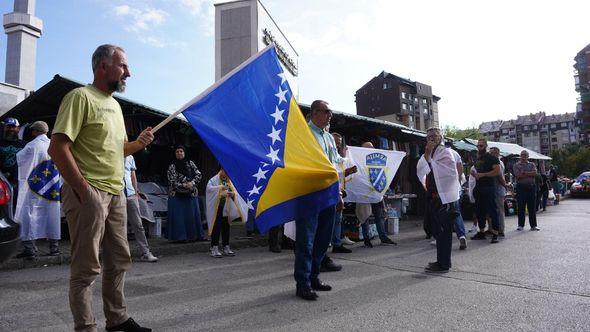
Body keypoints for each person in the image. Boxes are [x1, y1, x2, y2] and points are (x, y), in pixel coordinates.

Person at [48, 44, 154, 331]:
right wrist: (84, 190)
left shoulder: (116, 106)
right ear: (103, 66)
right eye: (123, 66)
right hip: (89, 193)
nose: (129, 73)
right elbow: (57, 147)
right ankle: (86, 327)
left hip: (116, 193)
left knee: (119, 259)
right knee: (86, 268)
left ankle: (117, 318)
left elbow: (117, 149)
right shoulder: (79, 97)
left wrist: (137, 144)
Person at [294, 100, 355, 301]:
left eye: (331, 112)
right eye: (327, 111)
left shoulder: (329, 138)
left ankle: (314, 277)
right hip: (309, 193)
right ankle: (302, 283)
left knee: (322, 240)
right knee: (306, 240)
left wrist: (338, 193)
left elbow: (335, 167)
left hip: (328, 193)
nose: (330, 115)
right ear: (315, 113)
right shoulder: (302, 133)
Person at [14, 121, 61, 259]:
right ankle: (54, 248)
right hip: (51, 188)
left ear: (34, 131)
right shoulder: (55, 145)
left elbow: (19, 159)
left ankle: (30, 249)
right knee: (52, 214)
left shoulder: (31, 146)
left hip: (33, 189)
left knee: (28, 214)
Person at [417, 128, 461, 273]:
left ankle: (444, 264)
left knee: (444, 232)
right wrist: (428, 154)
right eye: (429, 136)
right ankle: (440, 261)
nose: (431, 139)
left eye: (434, 136)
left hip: (445, 199)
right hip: (434, 198)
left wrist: (430, 158)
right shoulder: (430, 153)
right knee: (438, 232)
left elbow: (449, 173)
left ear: (440, 137)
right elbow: (421, 168)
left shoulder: (445, 152)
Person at [357, 141, 396, 248]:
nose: (371, 149)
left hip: (375, 192)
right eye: (368, 148)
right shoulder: (358, 160)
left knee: (379, 216)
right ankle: (366, 239)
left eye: (372, 147)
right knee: (365, 217)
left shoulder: (376, 160)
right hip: (364, 193)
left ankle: (383, 238)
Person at [166, 145, 206, 242]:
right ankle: (180, 237)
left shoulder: (190, 163)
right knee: (179, 217)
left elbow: (198, 174)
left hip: (191, 194)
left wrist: (191, 183)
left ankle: (195, 236)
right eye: (177, 151)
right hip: (177, 195)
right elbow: (171, 181)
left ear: (184, 153)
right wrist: (184, 185)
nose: (179, 153)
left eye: (181, 151)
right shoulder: (172, 166)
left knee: (192, 215)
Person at [205, 168, 247, 258]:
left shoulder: (229, 181)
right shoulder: (213, 180)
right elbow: (209, 190)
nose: (227, 173)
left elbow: (235, 191)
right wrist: (220, 189)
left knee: (226, 227)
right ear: (221, 170)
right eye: (225, 170)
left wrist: (233, 194)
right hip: (217, 208)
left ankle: (226, 246)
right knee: (216, 226)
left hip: (226, 207)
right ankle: (214, 247)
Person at [123, 155, 158, 262]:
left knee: (138, 224)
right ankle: (122, 254)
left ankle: (146, 252)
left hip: (130, 193)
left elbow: (133, 175)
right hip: (116, 193)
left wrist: (135, 191)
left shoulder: (130, 157)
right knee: (120, 226)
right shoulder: (112, 151)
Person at [470, 139, 501, 244]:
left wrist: (483, 175)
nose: (479, 147)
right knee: (480, 211)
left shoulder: (492, 158)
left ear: (486, 146)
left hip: (488, 187)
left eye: (481, 146)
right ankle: (481, 232)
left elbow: (497, 171)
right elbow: (473, 170)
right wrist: (474, 174)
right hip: (478, 187)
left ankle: (496, 233)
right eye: (478, 146)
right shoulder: (477, 158)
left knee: (492, 211)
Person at [330, 132, 354, 254]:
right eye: (336, 143)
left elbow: (340, 175)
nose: (337, 146)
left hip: (338, 190)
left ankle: (336, 244)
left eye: (339, 144)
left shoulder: (339, 157)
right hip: (329, 191)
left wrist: (348, 172)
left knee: (337, 219)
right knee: (328, 219)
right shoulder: (329, 156)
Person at [0, 117, 26, 204]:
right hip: (1, 181)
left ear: (18, 129)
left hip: (19, 181)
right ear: (4, 128)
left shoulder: (25, 145)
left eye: (13, 127)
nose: (11, 129)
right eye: (8, 127)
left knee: (17, 206)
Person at [513, 150, 540, 231]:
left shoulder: (532, 164)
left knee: (532, 207)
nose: (524, 156)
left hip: (531, 187)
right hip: (521, 188)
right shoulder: (516, 165)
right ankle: (520, 225)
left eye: (525, 155)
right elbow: (518, 175)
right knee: (521, 207)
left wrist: (524, 172)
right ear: (520, 156)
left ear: (528, 156)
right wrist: (529, 173)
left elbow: (535, 173)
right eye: (522, 155)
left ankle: (533, 226)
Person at [448, 147, 467, 250]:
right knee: (456, 213)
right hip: (456, 189)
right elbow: (460, 169)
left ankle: (442, 237)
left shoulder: (439, 153)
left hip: (444, 190)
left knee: (442, 213)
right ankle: (461, 235)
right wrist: (458, 183)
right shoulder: (456, 154)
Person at [489, 147, 508, 237]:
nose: (491, 154)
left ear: (497, 153)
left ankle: (500, 229)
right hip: (495, 189)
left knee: (499, 210)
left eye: (493, 153)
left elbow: (499, 177)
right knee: (494, 210)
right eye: (490, 152)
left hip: (498, 189)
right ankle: (493, 228)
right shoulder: (497, 162)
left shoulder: (498, 163)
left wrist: (505, 185)